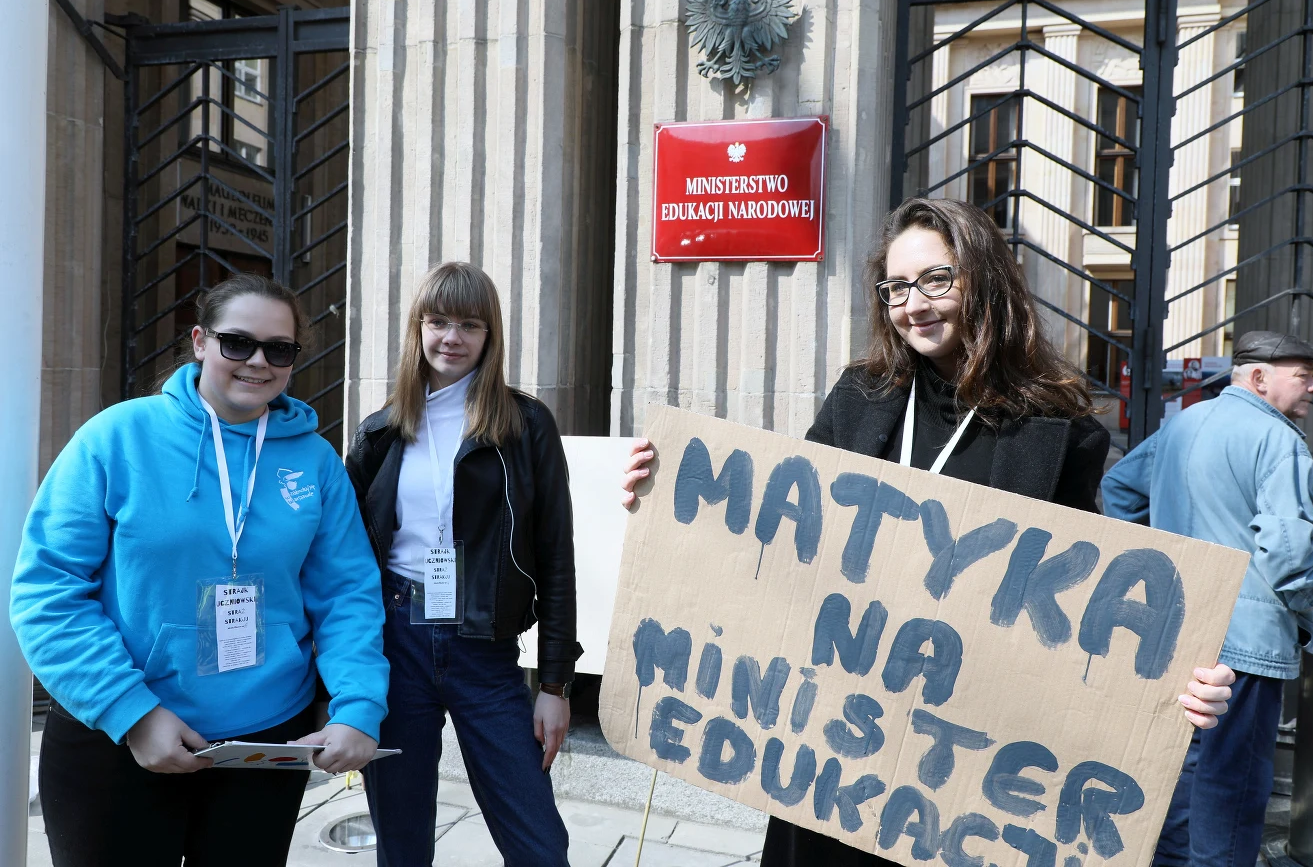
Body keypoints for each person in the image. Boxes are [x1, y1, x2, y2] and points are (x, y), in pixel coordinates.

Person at [620, 197, 1236, 866]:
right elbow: (776, 539)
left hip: (961, 770)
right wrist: (668, 496)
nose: (915, 304)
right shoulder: (860, 398)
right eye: (896, 288)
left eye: (937, 280)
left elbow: (1084, 614)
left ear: (985, 279)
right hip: (834, 755)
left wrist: (1178, 681)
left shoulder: (1061, 431)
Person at [10, 273, 388, 867]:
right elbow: (48, 590)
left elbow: (347, 594)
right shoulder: (116, 437)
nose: (257, 362)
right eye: (237, 342)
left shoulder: (315, 462)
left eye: (279, 349)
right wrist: (130, 712)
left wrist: (359, 705)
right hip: (118, 738)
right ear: (199, 342)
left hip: (264, 744)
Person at [346, 261, 582, 867]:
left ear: (490, 335)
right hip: (397, 641)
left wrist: (554, 684)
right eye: (439, 321)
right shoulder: (381, 433)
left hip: (484, 647)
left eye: (470, 324)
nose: (453, 337)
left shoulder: (525, 426)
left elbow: (557, 555)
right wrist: (342, 681)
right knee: (400, 841)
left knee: (539, 844)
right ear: (418, 329)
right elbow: (345, 568)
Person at [1102, 330, 1313, 867]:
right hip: (1248, 645)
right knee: (1232, 791)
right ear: (1258, 378)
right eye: (1304, 375)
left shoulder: (1183, 423)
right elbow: (1288, 552)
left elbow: (1119, 489)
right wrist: (1304, 617)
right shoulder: (1280, 441)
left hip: (1175, 630)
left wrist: (1157, 566)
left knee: (1181, 774)